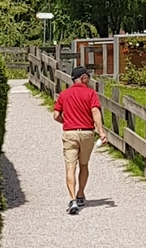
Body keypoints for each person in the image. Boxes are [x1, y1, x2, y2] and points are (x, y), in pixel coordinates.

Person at [53, 66, 108, 214]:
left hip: (70, 133)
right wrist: (101, 132)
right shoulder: (90, 93)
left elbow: (56, 115)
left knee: (70, 167)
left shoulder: (64, 95)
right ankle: (80, 194)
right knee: (84, 165)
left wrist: (66, 122)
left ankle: (72, 200)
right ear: (83, 78)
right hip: (86, 133)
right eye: (88, 78)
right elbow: (95, 111)